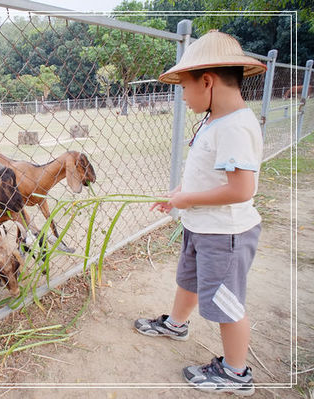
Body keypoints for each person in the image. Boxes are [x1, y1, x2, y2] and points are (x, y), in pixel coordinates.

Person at [135, 30, 267, 396]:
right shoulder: (215, 120)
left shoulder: (236, 126)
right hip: (203, 227)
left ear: (207, 81)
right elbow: (208, 174)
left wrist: (189, 200)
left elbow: (242, 190)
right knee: (189, 279)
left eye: (184, 85)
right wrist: (181, 195)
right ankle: (177, 324)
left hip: (225, 235)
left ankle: (235, 373)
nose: (182, 94)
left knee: (227, 303)